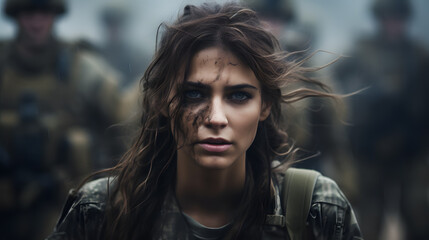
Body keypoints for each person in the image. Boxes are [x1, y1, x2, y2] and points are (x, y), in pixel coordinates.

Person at [46, 3, 362, 240]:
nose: (215, 118)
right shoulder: (102, 213)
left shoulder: (317, 212)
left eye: (239, 96)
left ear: (265, 105)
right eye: (193, 95)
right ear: (162, 102)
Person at [0, 0, 130, 239]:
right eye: (29, 12)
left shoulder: (79, 65)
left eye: (44, 12)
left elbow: (124, 114)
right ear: (16, 15)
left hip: (60, 205)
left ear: (54, 15)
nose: (37, 21)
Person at [333, 0, 429, 239]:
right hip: (370, 145)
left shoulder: (418, 55)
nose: (393, 24)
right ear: (380, 20)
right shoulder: (363, 50)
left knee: (416, 210)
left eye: (397, 18)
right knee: (370, 215)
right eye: (388, 18)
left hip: (410, 146)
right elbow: (335, 75)